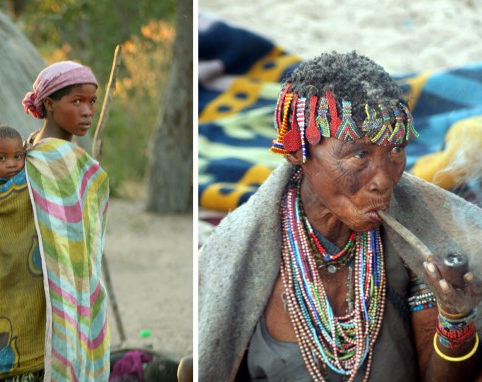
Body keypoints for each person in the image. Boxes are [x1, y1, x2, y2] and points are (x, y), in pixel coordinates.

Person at [198, 51, 482, 381]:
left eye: (395, 150)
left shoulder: (415, 249)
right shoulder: (237, 255)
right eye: (359, 154)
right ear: (296, 151)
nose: (384, 180)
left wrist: (455, 318)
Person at [0, 60, 110, 381]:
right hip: (27, 308)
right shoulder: (27, 159)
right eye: (77, 101)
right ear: (50, 104)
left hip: (68, 298)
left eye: (92, 101)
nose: (87, 111)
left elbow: (82, 243)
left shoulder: (75, 165)